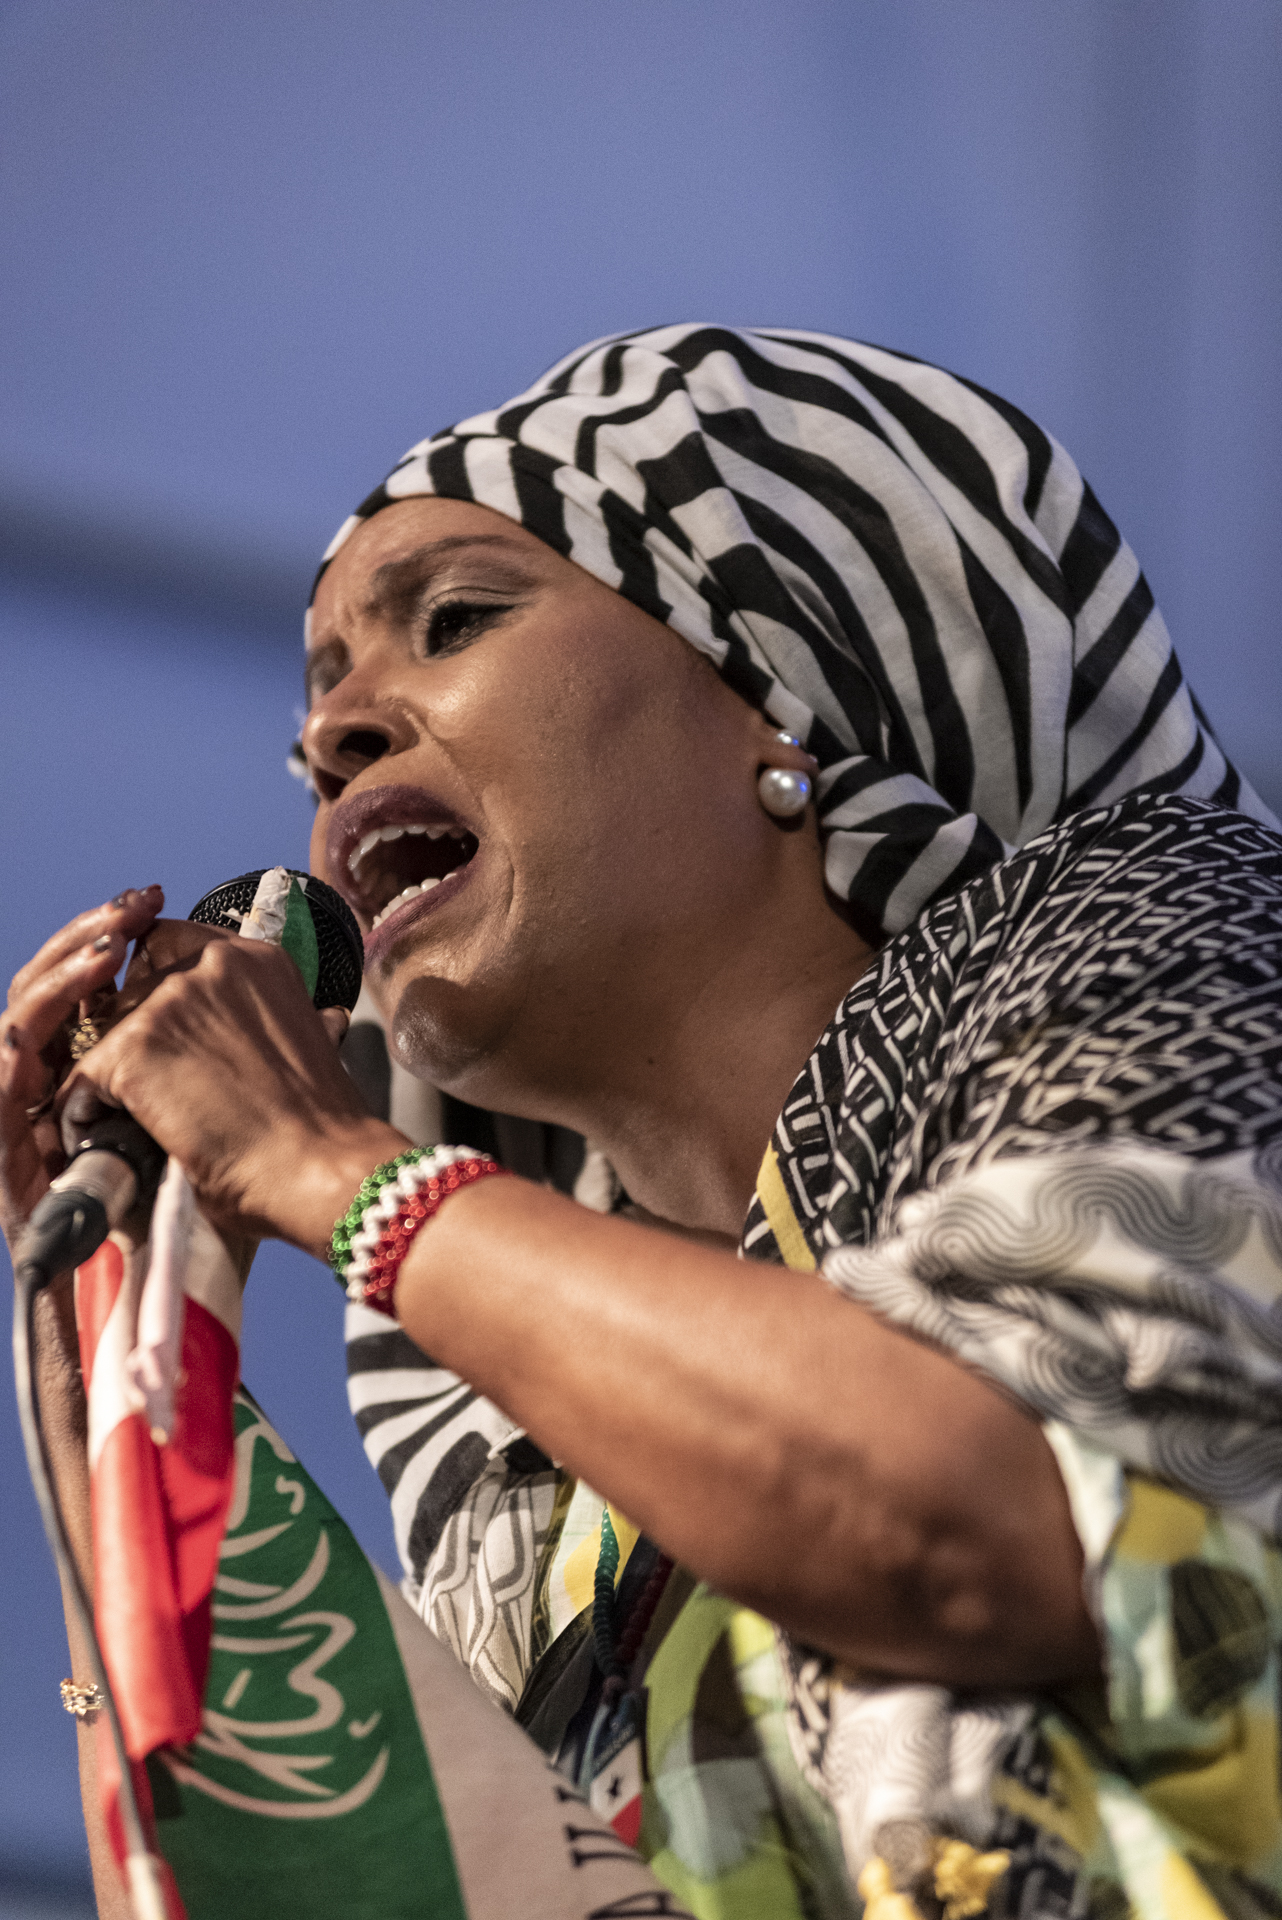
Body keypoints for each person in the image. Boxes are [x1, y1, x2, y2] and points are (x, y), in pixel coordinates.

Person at [5, 325, 1281, 1920]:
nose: (331, 741)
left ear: (778, 686)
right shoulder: (541, 1494)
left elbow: (1013, 1526)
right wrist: (97, 1355)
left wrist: (331, 1172)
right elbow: (374, 1881)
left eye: (452, 620)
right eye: (317, 712)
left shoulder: (1176, 925)